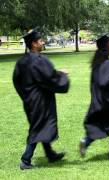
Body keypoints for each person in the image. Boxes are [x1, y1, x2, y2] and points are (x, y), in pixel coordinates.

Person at [13, 29, 70, 170]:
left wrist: (25, 95)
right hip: (41, 102)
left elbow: (16, 80)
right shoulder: (38, 60)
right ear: (33, 44)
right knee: (38, 127)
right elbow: (50, 78)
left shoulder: (22, 61)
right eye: (40, 41)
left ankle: (50, 154)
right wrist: (62, 76)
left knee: (42, 125)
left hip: (30, 101)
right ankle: (25, 160)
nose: (43, 42)